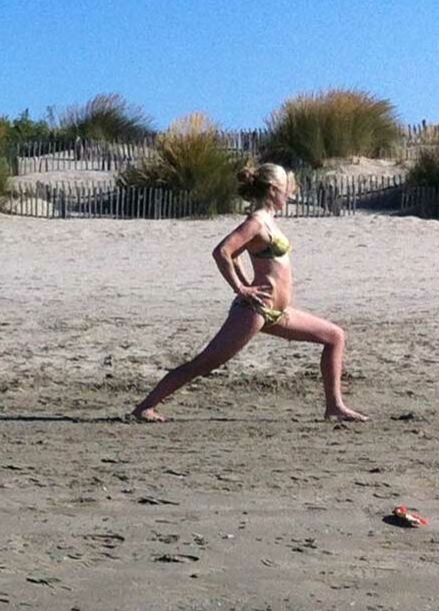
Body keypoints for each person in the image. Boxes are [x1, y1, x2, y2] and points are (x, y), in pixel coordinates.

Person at [132, 161, 364, 423]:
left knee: (334, 336)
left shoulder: (269, 222)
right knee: (205, 363)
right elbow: (223, 251)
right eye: (287, 189)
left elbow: (239, 256)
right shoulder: (256, 222)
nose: (290, 195)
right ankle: (145, 407)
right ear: (274, 190)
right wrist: (241, 288)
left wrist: (243, 278)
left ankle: (334, 406)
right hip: (255, 310)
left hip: (278, 311)